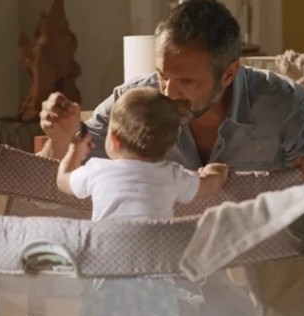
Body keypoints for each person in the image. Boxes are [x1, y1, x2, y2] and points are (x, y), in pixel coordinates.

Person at [38, 0, 304, 181]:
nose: (168, 93)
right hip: (161, 257)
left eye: (187, 82)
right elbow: (59, 178)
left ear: (229, 74)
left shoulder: (291, 111)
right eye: (162, 75)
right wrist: (59, 140)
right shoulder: (131, 102)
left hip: (256, 259)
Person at [57, 86, 228, 221]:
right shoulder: (172, 174)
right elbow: (209, 187)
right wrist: (216, 171)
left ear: (115, 139)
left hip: (105, 250)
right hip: (155, 251)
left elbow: (62, 180)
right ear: (168, 145)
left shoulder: (97, 170)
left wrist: (74, 150)